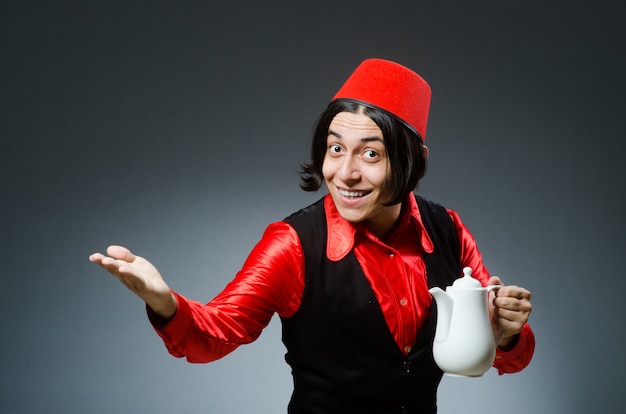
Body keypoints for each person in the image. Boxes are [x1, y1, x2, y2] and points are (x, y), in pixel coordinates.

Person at [90, 58, 534, 413]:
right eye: (335, 148)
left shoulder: (449, 231)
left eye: (371, 154)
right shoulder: (293, 243)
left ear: (414, 160)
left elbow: (501, 352)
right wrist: (164, 301)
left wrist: (507, 332)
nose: (345, 173)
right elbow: (215, 334)